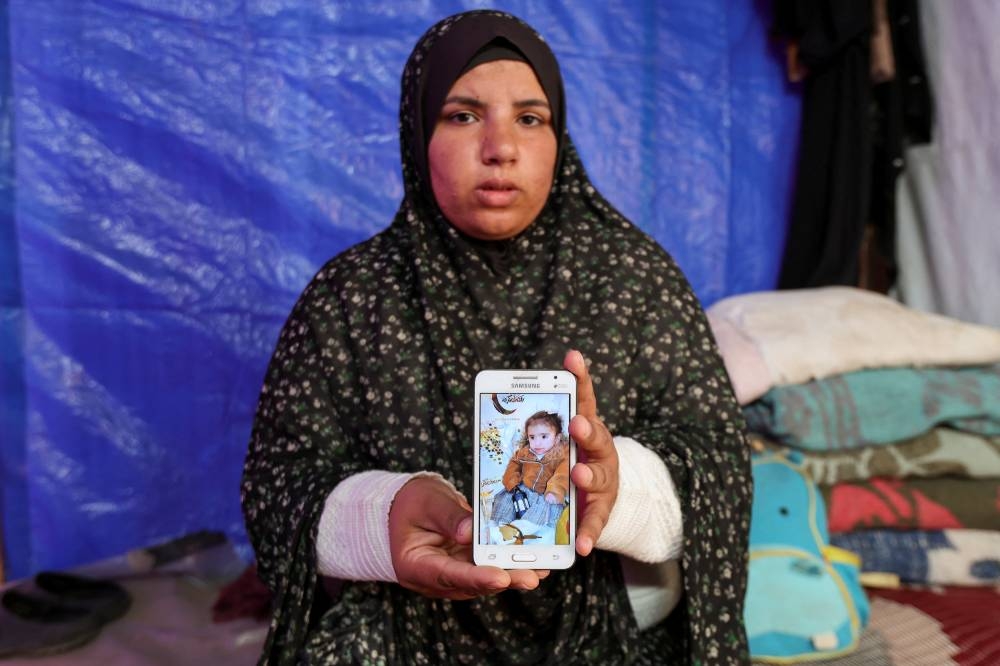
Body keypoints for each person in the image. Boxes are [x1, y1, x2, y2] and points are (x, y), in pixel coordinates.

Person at [242, 9, 752, 665]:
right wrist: (382, 518)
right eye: (462, 115)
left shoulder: (637, 280)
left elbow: (722, 466)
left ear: (558, 136)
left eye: (529, 118)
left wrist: (620, 488)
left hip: (607, 626)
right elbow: (277, 486)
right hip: (404, 627)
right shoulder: (351, 297)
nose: (500, 147)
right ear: (416, 131)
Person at [491, 411, 570, 530]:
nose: (537, 443)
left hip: (545, 494)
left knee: (542, 512)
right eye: (532, 437)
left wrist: (555, 490)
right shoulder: (525, 452)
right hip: (523, 488)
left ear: (557, 438)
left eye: (544, 436)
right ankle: (499, 526)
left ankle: (526, 530)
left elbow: (563, 473)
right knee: (506, 499)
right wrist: (512, 481)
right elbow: (514, 464)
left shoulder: (562, 454)